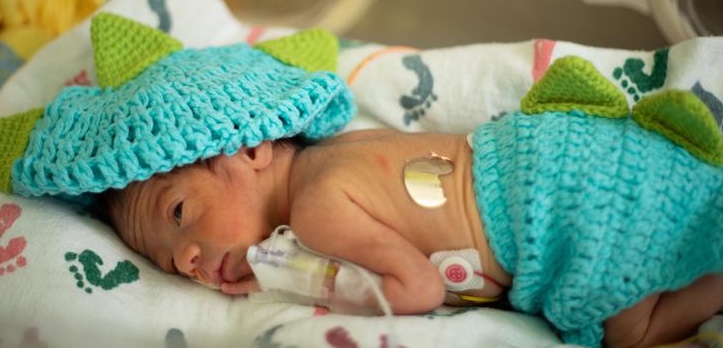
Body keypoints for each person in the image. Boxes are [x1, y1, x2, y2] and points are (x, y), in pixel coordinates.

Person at [101, 56, 723, 348]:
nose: (183, 260)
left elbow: (419, 289)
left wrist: (302, 284)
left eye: (177, 213)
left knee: (631, 329)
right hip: (558, 152)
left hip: (550, 209)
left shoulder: (318, 208)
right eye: (166, 262)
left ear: (250, 150)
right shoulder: (345, 149)